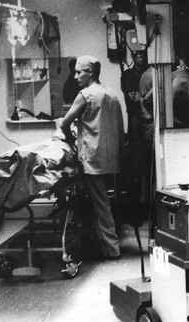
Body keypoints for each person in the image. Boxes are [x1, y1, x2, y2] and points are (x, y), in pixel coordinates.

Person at [60, 55, 125, 275]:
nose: (76, 76)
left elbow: (65, 123)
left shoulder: (85, 95)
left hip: (92, 159)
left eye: (79, 72)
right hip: (110, 158)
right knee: (104, 201)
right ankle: (98, 242)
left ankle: (111, 248)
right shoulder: (111, 94)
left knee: (100, 204)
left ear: (91, 73)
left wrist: (69, 139)